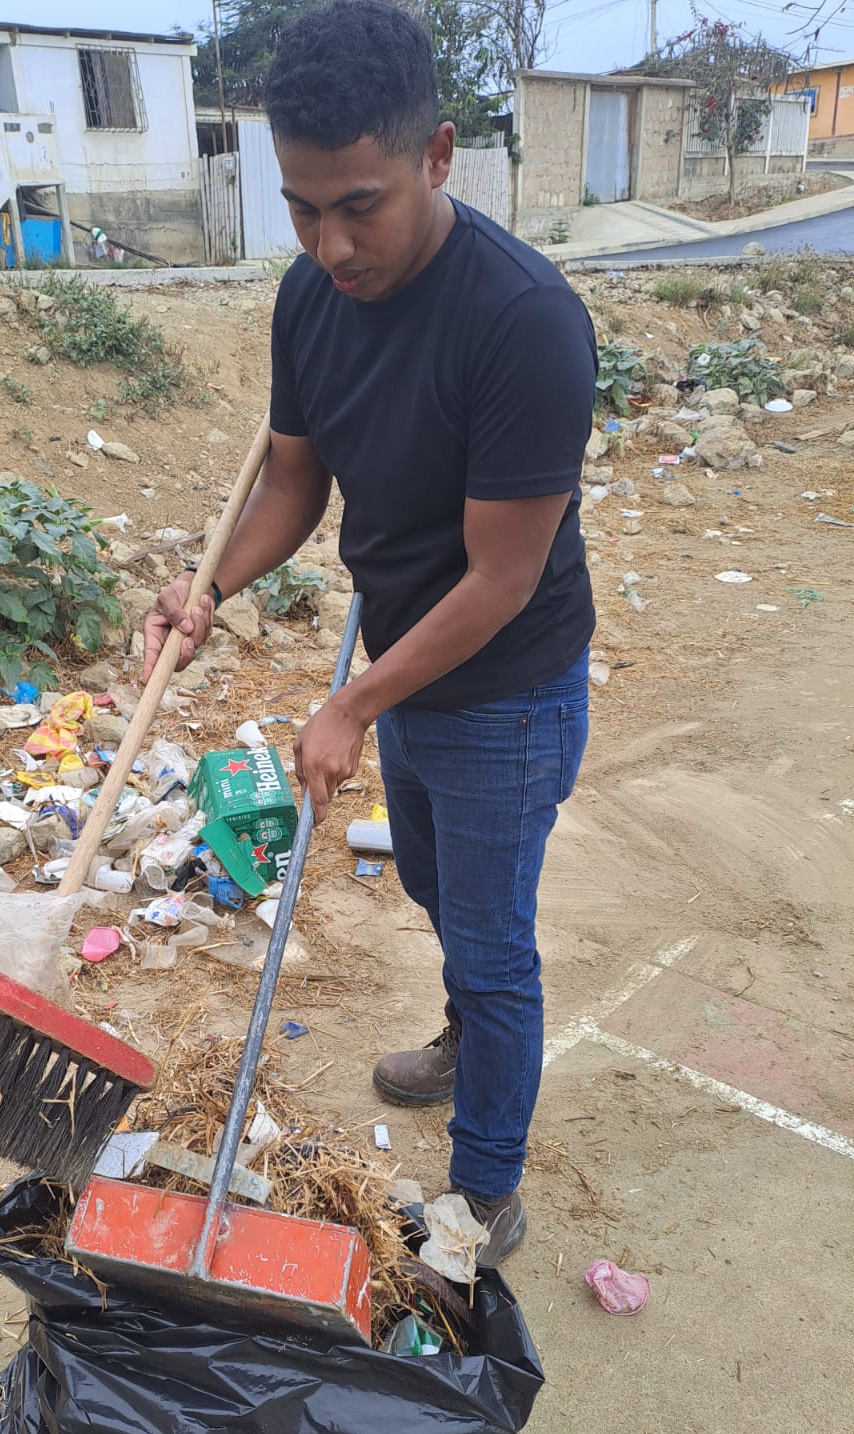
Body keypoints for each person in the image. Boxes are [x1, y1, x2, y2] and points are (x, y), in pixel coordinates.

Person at [142, 0, 597, 1267]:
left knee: (494, 942)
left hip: (507, 683)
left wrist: (352, 700)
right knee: (442, 893)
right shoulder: (312, 298)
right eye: (301, 209)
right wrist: (207, 588)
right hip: (411, 668)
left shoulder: (524, 321)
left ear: (438, 157)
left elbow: (502, 578)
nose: (330, 244)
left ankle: (486, 1191)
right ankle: (470, 1037)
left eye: (359, 206)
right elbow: (293, 485)